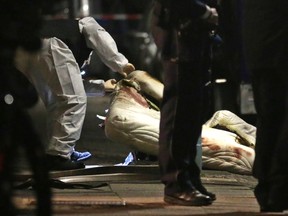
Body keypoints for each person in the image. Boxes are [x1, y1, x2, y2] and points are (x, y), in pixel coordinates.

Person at [18, 17, 135, 171]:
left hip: (28, 50)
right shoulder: (85, 24)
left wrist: (102, 86)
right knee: (73, 101)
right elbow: (99, 35)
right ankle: (58, 154)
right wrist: (122, 64)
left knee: (57, 102)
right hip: (52, 46)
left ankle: (62, 150)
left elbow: (71, 85)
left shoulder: (69, 37)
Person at [151, 0, 218, 206]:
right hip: (179, 27)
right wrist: (204, 11)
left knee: (192, 109)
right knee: (179, 109)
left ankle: (188, 176)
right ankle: (176, 181)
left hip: (192, 29)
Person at [242, 0, 288, 212]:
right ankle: (277, 186)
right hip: (276, 49)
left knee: (268, 118)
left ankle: (266, 185)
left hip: (259, 51)